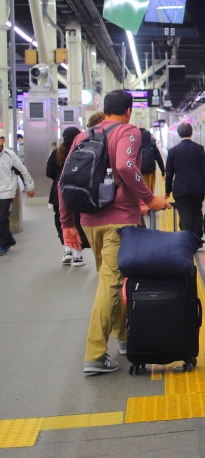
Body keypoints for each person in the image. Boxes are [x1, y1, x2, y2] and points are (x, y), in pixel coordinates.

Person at [60, 90, 172, 375]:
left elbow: (65, 179)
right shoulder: (127, 131)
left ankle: (123, 338)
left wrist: (67, 223)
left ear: (104, 109)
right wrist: (149, 199)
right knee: (110, 285)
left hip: (89, 220)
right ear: (128, 111)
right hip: (119, 220)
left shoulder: (82, 136)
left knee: (109, 280)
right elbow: (125, 165)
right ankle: (95, 354)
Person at [164, 122, 205, 239]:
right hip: (197, 188)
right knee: (197, 212)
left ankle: (187, 240)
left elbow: (169, 173)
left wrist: (167, 191)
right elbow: (204, 170)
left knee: (185, 214)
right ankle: (197, 239)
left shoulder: (173, 151)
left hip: (180, 188)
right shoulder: (199, 149)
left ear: (179, 134)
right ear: (192, 133)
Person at [46, 126, 88, 266]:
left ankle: (67, 250)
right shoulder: (80, 151)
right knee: (76, 221)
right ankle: (78, 256)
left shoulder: (56, 153)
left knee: (61, 221)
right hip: (75, 190)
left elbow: (49, 172)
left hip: (57, 193)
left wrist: (59, 178)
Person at [0, 129, 35, 255]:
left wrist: (29, 187)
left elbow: (23, 171)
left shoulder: (10, 155)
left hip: (6, 192)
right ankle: (8, 238)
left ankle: (3, 243)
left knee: (2, 218)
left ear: (2, 141)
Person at [139, 128, 165, 194]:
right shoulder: (153, 146)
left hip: (139, 171)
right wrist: (163, 172)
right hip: (150, 171)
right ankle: (149, 201)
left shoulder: (137, 147)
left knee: (140, 188)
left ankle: (141, 202)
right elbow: (159, 159)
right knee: (150, 188)